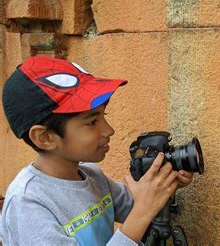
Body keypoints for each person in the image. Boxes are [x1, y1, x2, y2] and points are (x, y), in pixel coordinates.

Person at [0, 56, 194, 245]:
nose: (109, 130)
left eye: (104, 115)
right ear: (45, 137)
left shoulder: (92, 176)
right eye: (92, 122)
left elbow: (137, 205)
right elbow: (140, 213)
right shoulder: (27, 203)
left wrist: (165, 184)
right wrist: (142, 212)